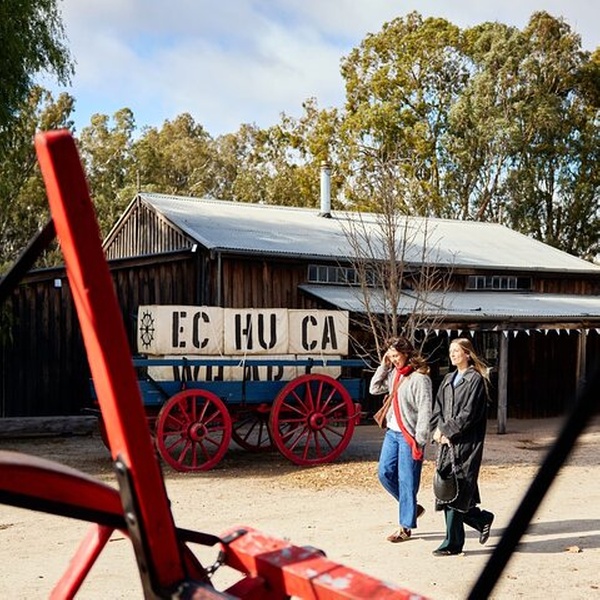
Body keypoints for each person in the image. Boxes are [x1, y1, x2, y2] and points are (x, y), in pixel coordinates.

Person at [430, 337, 495, 556]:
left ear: (467, 354)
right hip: (446, 444)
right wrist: (437, 431)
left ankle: (453, 544)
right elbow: (438, 409)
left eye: (456, 351)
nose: (452, 354)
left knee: (457, 491)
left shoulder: (475, 380)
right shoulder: (448, 379)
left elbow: (469, 414)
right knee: (447, 489)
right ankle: (481, 519)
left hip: (466, 444)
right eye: (450, 351)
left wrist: (448, 431)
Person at [369, 336, 432, 543]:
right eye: (391, 355)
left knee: (407, 480)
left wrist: (420, 440)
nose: (394, 359)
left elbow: (425, 410)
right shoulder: (393, 373)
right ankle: (412, 507)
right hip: (392, 432)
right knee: (384, 473)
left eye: (396, 355)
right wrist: (384, 366)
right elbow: (374, 388)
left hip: (409, 436)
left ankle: (405, 527)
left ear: (406, 353)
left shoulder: (420, 379)